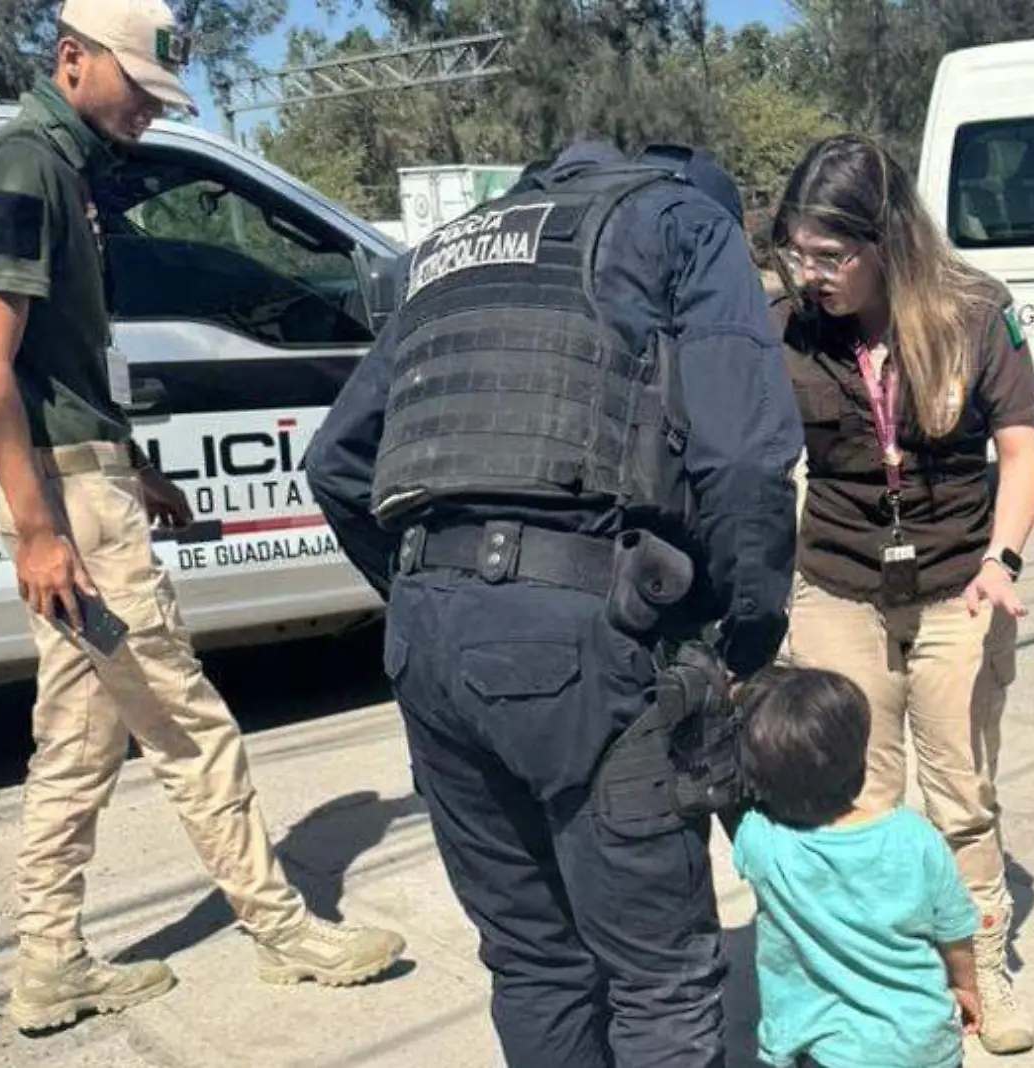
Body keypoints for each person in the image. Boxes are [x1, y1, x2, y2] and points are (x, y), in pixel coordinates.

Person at [0, 0, 407, 1036]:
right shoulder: (28, 164)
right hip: (72, 511)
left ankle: (48, 963)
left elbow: (56, 364)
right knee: (190, 725)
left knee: (75, 739)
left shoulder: (55, 165)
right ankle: (285, 930)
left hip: (88, 483)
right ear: (72, 61)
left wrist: (133, 461)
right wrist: (39, 529)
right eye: (138, 90)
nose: (150, 115)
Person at [305, 138, 803, 1068]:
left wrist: (431, 596)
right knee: (660, 979)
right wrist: (746, 637)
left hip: (426, 639)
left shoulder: (451, 247)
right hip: (583, 647)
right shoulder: (685, 221)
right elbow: (743, 461)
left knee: (534, 962)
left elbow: (335, 462)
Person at [769, 132, 1034, 1055]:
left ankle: (985, 970)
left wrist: (1002, 561)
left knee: (963, 797)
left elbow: (1020, 450)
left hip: (959, 589)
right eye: (796, 253)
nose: (811, 275)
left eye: (830, 256)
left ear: (887, 239)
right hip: (838, 587)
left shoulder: (973, 312)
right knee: (861, 804)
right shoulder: (785, 329)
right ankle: (893, 981)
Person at [732, 666, 983, 1068]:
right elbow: (953, 928)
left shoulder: (763, 842)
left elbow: (729, 799)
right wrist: (965, 986)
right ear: (861, 759)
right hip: (922, 1045)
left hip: (827, 1052)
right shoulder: (913, 837)